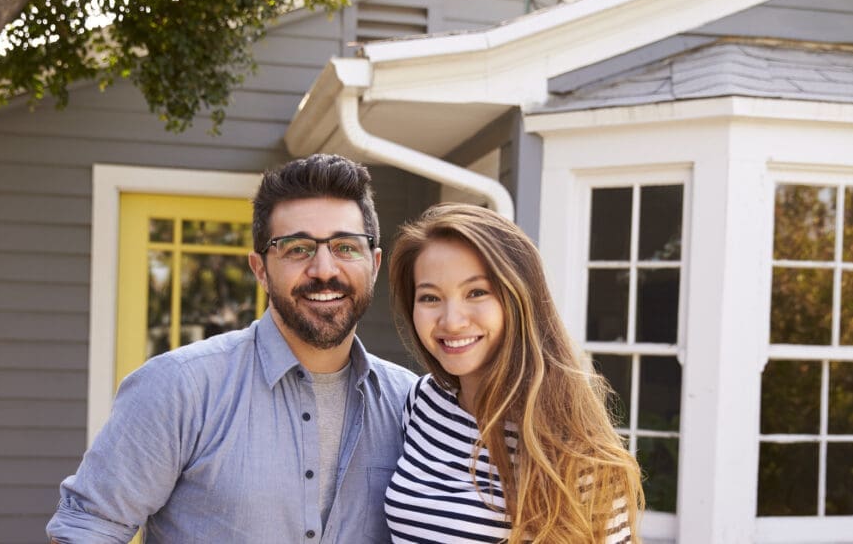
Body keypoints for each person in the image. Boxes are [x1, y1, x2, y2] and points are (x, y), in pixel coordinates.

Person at [47, 154, 416, 543]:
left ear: (374, 265)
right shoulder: (180, 387)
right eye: (297, 249)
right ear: (260, 270)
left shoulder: (409, 404)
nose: (324, 269)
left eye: (345, 247)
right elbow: (88, 527)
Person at [384, 203, 644, 543]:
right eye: (430, 297)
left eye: (476, 292)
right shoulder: (423, 400)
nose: (451, 320)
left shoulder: (574, 447)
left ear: (520, 298)